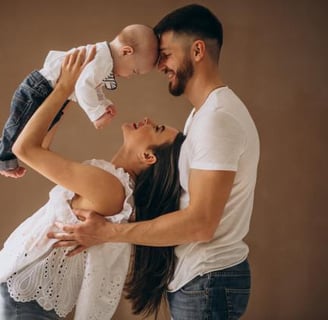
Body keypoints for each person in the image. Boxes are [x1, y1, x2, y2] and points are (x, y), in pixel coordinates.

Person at [49, 4, 260, 319]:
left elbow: (201, 224)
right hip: (201, 280)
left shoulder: (217, 119)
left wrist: (108, 232)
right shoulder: (204, 115)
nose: (160, 65)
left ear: (198, 50)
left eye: (167, 54)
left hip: (208, 280)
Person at [0, 48, 185, 319]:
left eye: (155, 129)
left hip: (24, 301)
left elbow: (25, 149)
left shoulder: (110, 187)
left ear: (148, 156)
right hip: (25, 296)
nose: (148, 120)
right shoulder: (111, 182)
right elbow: (39, 147)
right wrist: (72, 94)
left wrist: (63, 88)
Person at [0, 24, 158, 179]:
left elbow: (92, 87)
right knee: (18, 124)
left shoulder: (104, 59)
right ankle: (4, 159)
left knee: (35, 131)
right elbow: (83, 88)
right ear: (126, 51)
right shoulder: (103, 61)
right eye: (134, 71)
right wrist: (96, 114)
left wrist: (104, 104)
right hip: (39, 89)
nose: (129, 76)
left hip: (50, 92)